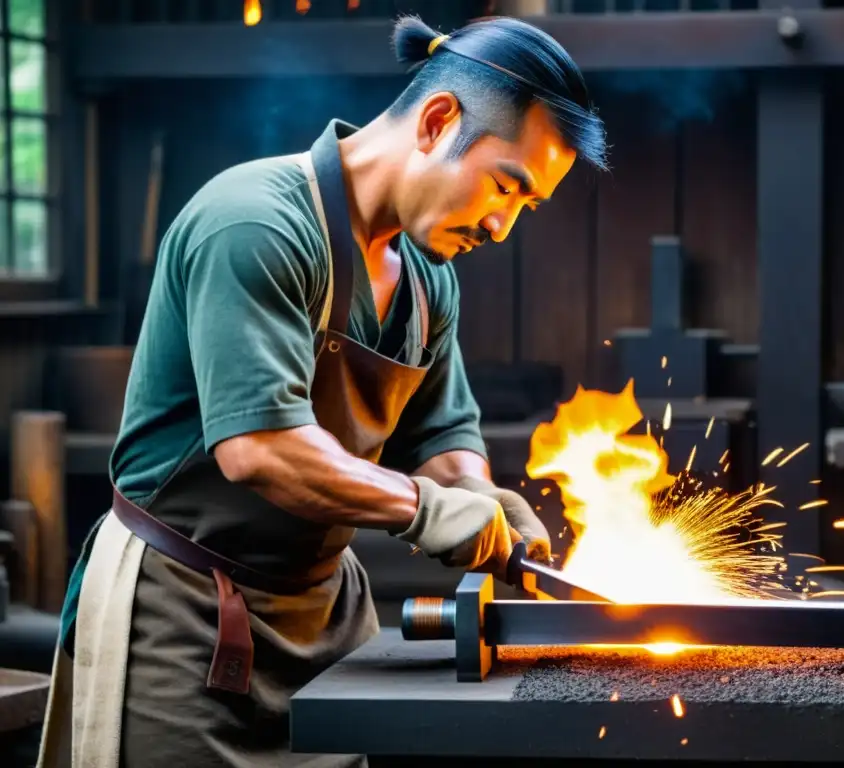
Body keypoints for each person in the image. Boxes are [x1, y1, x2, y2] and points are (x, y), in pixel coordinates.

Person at [35, 12, 607, 768]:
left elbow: (439, 439)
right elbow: (261, 449)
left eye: (525, 208)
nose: (502, 227)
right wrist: (426, 510)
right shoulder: (254, 223)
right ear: (438, 121)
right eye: (506, 187)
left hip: (327, 619)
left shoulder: (429, 279)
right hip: (183, 614)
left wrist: (484, 499)